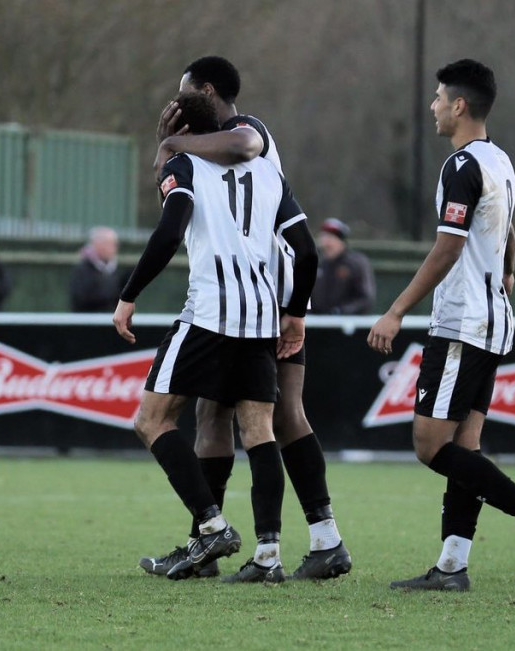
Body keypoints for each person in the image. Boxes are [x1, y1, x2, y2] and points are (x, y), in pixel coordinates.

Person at [140, 56, 352, 581]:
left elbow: (244, 148)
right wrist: (168, 148)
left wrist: (173, 144)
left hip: (268, 295)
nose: (178, 103)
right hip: (244, 298)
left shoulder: (245, 128)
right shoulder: (205, 146)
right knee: (214, 419)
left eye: (186, 93)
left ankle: (322, 540)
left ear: (207, 92)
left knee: (280, 417)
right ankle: (205, 544)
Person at [367, 59, 515, 591]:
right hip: (493, 323)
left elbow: (449, 245)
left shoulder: (460, 166)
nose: (433, 106)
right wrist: (506, 269)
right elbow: (507, 232)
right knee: (466, 446)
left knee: (430, 445)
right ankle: (453, 566)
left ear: (459, 105)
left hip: (462, 324)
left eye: (438, 98)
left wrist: (396, 310)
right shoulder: (500, 161)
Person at [113, 92, 319, 584]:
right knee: (258, 431)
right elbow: (307, 252)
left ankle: (211, 526)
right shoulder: (270, 172)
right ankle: (269, 555)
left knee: (151, 420)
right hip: (261, 318)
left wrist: (129, 293)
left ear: (181, 128)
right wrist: (293, 313)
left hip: (208, 314)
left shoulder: (185, 166)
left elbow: (169, 232)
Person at [309, 218, 376, 315]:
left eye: (331, 238)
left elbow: (365, 299)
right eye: (324, 237)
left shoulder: (356, 263)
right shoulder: (317, 264)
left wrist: (341, 311)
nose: (326, 242)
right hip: (317, 323)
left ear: (341, 242)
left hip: (348, 324)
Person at [70, 226, 124, 313]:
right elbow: (81, 300)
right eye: (111, 244)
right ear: (99, 245)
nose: (115, 248)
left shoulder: (114, 269)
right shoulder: (82, 270)